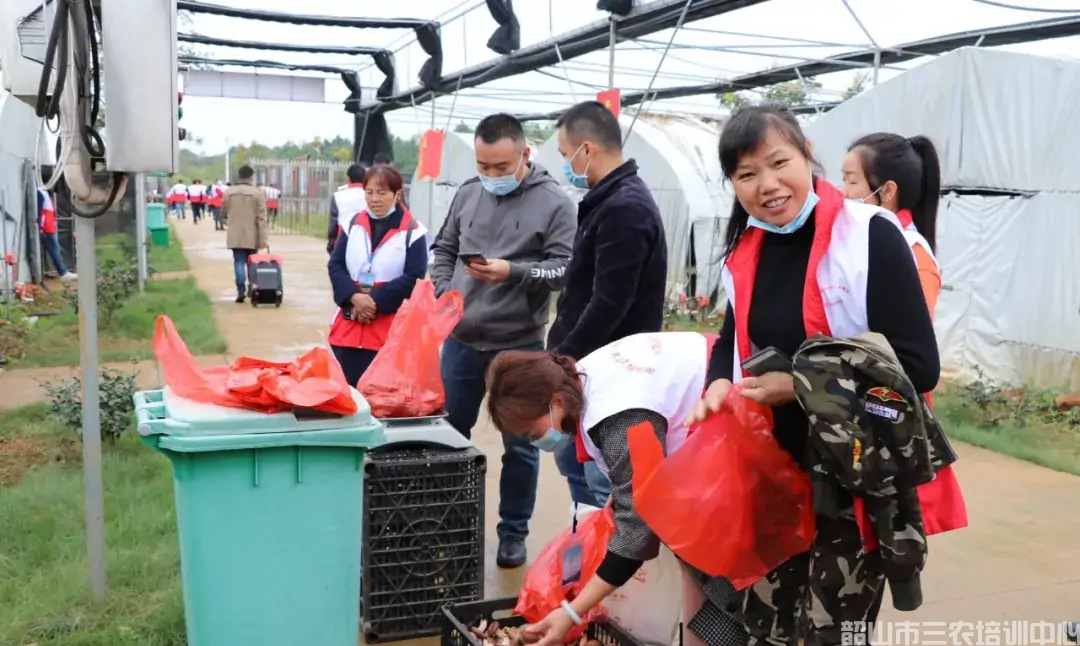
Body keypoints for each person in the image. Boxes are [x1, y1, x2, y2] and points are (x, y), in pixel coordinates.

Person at [685, 105, 942, 646]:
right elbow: (734, 334)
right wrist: (717, 382)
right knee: (764, 625)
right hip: (774, 474)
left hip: (852, 474)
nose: (768, 186)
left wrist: (798, 388)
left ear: (807, 154)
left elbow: (917, 368)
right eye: (746, 174)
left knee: (836, 633)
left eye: (779, 163)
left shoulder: (869, 235)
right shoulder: (746, 249)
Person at [483, 332, 717, 646]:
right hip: (708, 424)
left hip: (734, 412)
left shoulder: (616, 415)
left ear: (556, 402)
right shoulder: (581, 376)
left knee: (714, 573)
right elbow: (635, 478)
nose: (533, 441)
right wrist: (619, 499)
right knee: (694, 565)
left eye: (530, 430)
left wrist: (573, 612)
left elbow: (638, 530)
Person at [430, 112, 577, 569]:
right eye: (483, 165)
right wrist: (442, 292)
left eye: (500, 166)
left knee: (522, 445)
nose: (491, 176)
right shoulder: (468, 193)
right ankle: (450, 527)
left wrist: (512, 271)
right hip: (461, 340)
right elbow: (445, 249)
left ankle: (513, 533)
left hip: (519, 344)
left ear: (524, 155)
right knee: (449, 438)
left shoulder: (555, 203)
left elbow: (563, 270)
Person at [546, 100, 669, 509]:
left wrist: (561, 361)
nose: (566, 164)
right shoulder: (608, 200)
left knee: (605, 486)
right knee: (579, 475)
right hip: (589, 370)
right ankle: (583, 559)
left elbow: (609, 303)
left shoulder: (625, 209)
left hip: (610, 374)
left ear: (587, 149)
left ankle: (604, 567)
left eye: (566, 155)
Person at [327, 165, 428, 385]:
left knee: (382, 393)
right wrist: (354, 297)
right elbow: (335, 265)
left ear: (397, 194)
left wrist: (373, 303)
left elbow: (414, 277)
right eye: (369, 192)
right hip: (349, 324)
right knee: (346, 389)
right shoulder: (351, 225)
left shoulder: (414, 232)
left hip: (389, 326)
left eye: (382, 193)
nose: (374, 199)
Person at [841, 133, 941, 313]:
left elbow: (911, 336)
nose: (843, 193)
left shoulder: (914, 256)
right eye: (844, 180)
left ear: (887, 190)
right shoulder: (859, 240)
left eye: (852, 181)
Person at [222, 165, 268, 303]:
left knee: (238, 261)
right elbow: (262, 217)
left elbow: (223, 211)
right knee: (252, 263)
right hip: (252, 233)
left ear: (239, 175)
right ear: (251, 177)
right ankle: (252, 288)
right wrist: (263, 238)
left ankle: (240, 290)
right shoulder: (257, 193)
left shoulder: (228, 192)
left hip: (235, 233)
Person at [37, 182, 76, 282]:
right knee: (54, 250)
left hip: (48, 227)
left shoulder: (46, 194)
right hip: (45, 228)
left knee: (55, 250)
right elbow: (40, 211)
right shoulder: (40, 193)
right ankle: (62, 272)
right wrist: (41, 227)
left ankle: (62, 272)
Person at [328, 163, 367, 254]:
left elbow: (333, 225)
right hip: (365, 242)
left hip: (342, 241)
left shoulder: (338, 196)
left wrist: (331, 245)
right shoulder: (371, 196)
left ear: (348, 179)